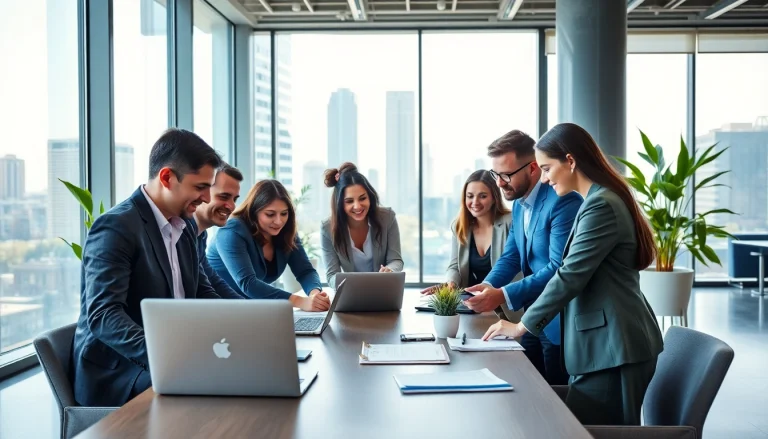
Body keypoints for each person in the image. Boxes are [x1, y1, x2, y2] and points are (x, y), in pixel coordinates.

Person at [481, 122, 664, 426]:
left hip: (614, 346)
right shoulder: (594, 201)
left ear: (570, 161)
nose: (546, 177)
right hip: (603, 345)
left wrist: (521, 326)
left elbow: (569, 274)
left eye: (548, 168)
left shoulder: (601, 205)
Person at [72, 128, 223, 407]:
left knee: (235, 380)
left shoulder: (185, 226)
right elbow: (104, 315)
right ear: (167, 177)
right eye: (200, 187)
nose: (206, 198)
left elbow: (203, 291)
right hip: (118, 371)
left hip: (173, 356)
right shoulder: (116, 227)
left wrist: (240, 326)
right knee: (208, 393)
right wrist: (166, 355)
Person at [463, 129, 582, 386]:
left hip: (557, 322)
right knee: (526, 386)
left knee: (555, 400)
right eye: (496, 174)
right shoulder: (519, 203)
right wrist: (488, 285)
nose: (499, 183)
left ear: (532, 168)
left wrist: (503, 294)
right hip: (531, 319)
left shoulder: (563, 200)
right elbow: (512, 255)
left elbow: (557, 268)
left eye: (506, 175)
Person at [206, 179, 330, 311]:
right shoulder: (231, 231)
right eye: (270, 214)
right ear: (254, 212)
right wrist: (298, 301)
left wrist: (315, 295)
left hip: (252, 309)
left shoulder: (286, 232)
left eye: (284, 213)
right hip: (217, 309)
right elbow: (248, 283)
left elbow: (305, 271)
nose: (279, 221)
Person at [420, 170, 511, 292]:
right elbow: (455, 266)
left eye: (483, 196)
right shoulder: (460, 226)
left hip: (503, 301)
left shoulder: (510, 222)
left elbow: (514, 266)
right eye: (470, 196)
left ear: (494, 198)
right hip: (473, 300)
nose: (475, 202)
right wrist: (450, 283)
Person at [320, 162, 403, 289]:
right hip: (351, 293)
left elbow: (396, 260)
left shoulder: (387, 218)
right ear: (340, 204)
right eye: (349, 201)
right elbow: (331, 275)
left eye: (362, 198)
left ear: (370, 197)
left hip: (383, 290)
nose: (357, 206)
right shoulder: (327, 228)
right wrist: (348, 284)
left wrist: (390, 270)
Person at [191, 163, 245, 299]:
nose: (232, 206)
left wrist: (247, 309)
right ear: (203, 194)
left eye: (234, 199)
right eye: (224, 197)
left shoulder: (200, 235)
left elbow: (214, 281)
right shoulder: (181, 233)